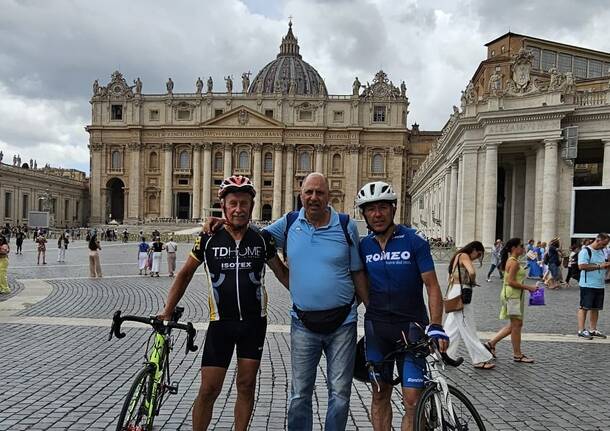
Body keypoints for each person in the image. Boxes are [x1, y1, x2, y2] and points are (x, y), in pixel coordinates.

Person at [158, 175, 288, 431]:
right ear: (224, 206)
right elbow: (184, 274)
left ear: (251, 206)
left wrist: (314, 300)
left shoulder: (263, 239)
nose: (238, 209)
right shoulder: (207, 238)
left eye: (243, 203)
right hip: (221, 324)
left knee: (246, 385)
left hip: (253, 325)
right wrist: (167, 310)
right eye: (233, 204)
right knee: (208, 389)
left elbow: (283, 274)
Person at [264, 173, 368, 431]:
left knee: (341, 395)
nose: (313, 198)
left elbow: (357, 272)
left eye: (319, 193)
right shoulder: (288, 223)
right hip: (303, 323)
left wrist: (372, 310)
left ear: (328, 197)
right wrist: (282, 272)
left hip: (343, 323)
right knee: (299, 395)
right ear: (300, 194)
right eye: (309, 192)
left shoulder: (346, 226)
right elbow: (257, 240)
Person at [354, 181, 448, 431]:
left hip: (412, 328)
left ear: (393, 208)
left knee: (412, 399)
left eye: (383, 207)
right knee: (379, 394)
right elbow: (357, 280)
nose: (377, 214)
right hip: (377, 330)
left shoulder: (414, 241)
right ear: (363, 214)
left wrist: (437, 325)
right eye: (371, 209)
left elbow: (432, 286)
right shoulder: (364, 246)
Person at [485, 238, 539, 363]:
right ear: (514, 248)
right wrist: (529, 288)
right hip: (512, 295)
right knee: (516, 325)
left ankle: (491, 344)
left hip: (513, 295)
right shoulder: (513, 262)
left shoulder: (513, 261)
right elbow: (511, 281)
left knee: (515, 324)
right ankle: (517, 354)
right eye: (521, 246)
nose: (523, 248)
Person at [445, 241, 494, 370]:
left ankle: (443, 353)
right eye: (478, 254)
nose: (476, 258)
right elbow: (471, 272)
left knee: (452, 327)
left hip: (453, 291)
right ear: (473, 249)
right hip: (461, 293)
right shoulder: (464, 256)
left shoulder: (456, 256)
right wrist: (472, 281)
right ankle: (479, 359)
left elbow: (450, 276)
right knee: (468, 326)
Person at [577, 232, 610, 339]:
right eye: (603, 244)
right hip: (587, 284)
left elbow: (603, 264)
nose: (604, 246)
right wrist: (600, 266)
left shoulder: (601, 251)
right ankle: (581, 330)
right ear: (598, 240)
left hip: (599, 284)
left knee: (596, 308)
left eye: (606, 245)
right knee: (584, 307)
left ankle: (593, 329)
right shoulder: (585, 251)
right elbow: (582, 266)